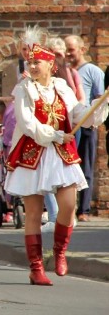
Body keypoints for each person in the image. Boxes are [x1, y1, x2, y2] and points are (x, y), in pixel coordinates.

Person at [5, 27, 108, 285]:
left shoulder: (62, 87)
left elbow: (77, 114)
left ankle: (60, 252)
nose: (32, 66)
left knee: (69, 206)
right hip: (33, 153)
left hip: (61, 154)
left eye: (37, 62)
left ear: (51, 65)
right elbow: (27, 123)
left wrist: (98, 106)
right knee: (33, 213)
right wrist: (54, 135)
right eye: (30, 62)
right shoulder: (23, 90)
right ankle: (36, 267)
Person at [63, 35, 104, 222]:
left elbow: (101, 98)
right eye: (65, 49)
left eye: (71, 49)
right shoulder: (63, 71)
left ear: (82, 48)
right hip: (66, 125)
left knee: (85, 166)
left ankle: (84, 209)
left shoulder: (93, 71)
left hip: (85, 123)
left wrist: (95, 120)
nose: (68, 53)